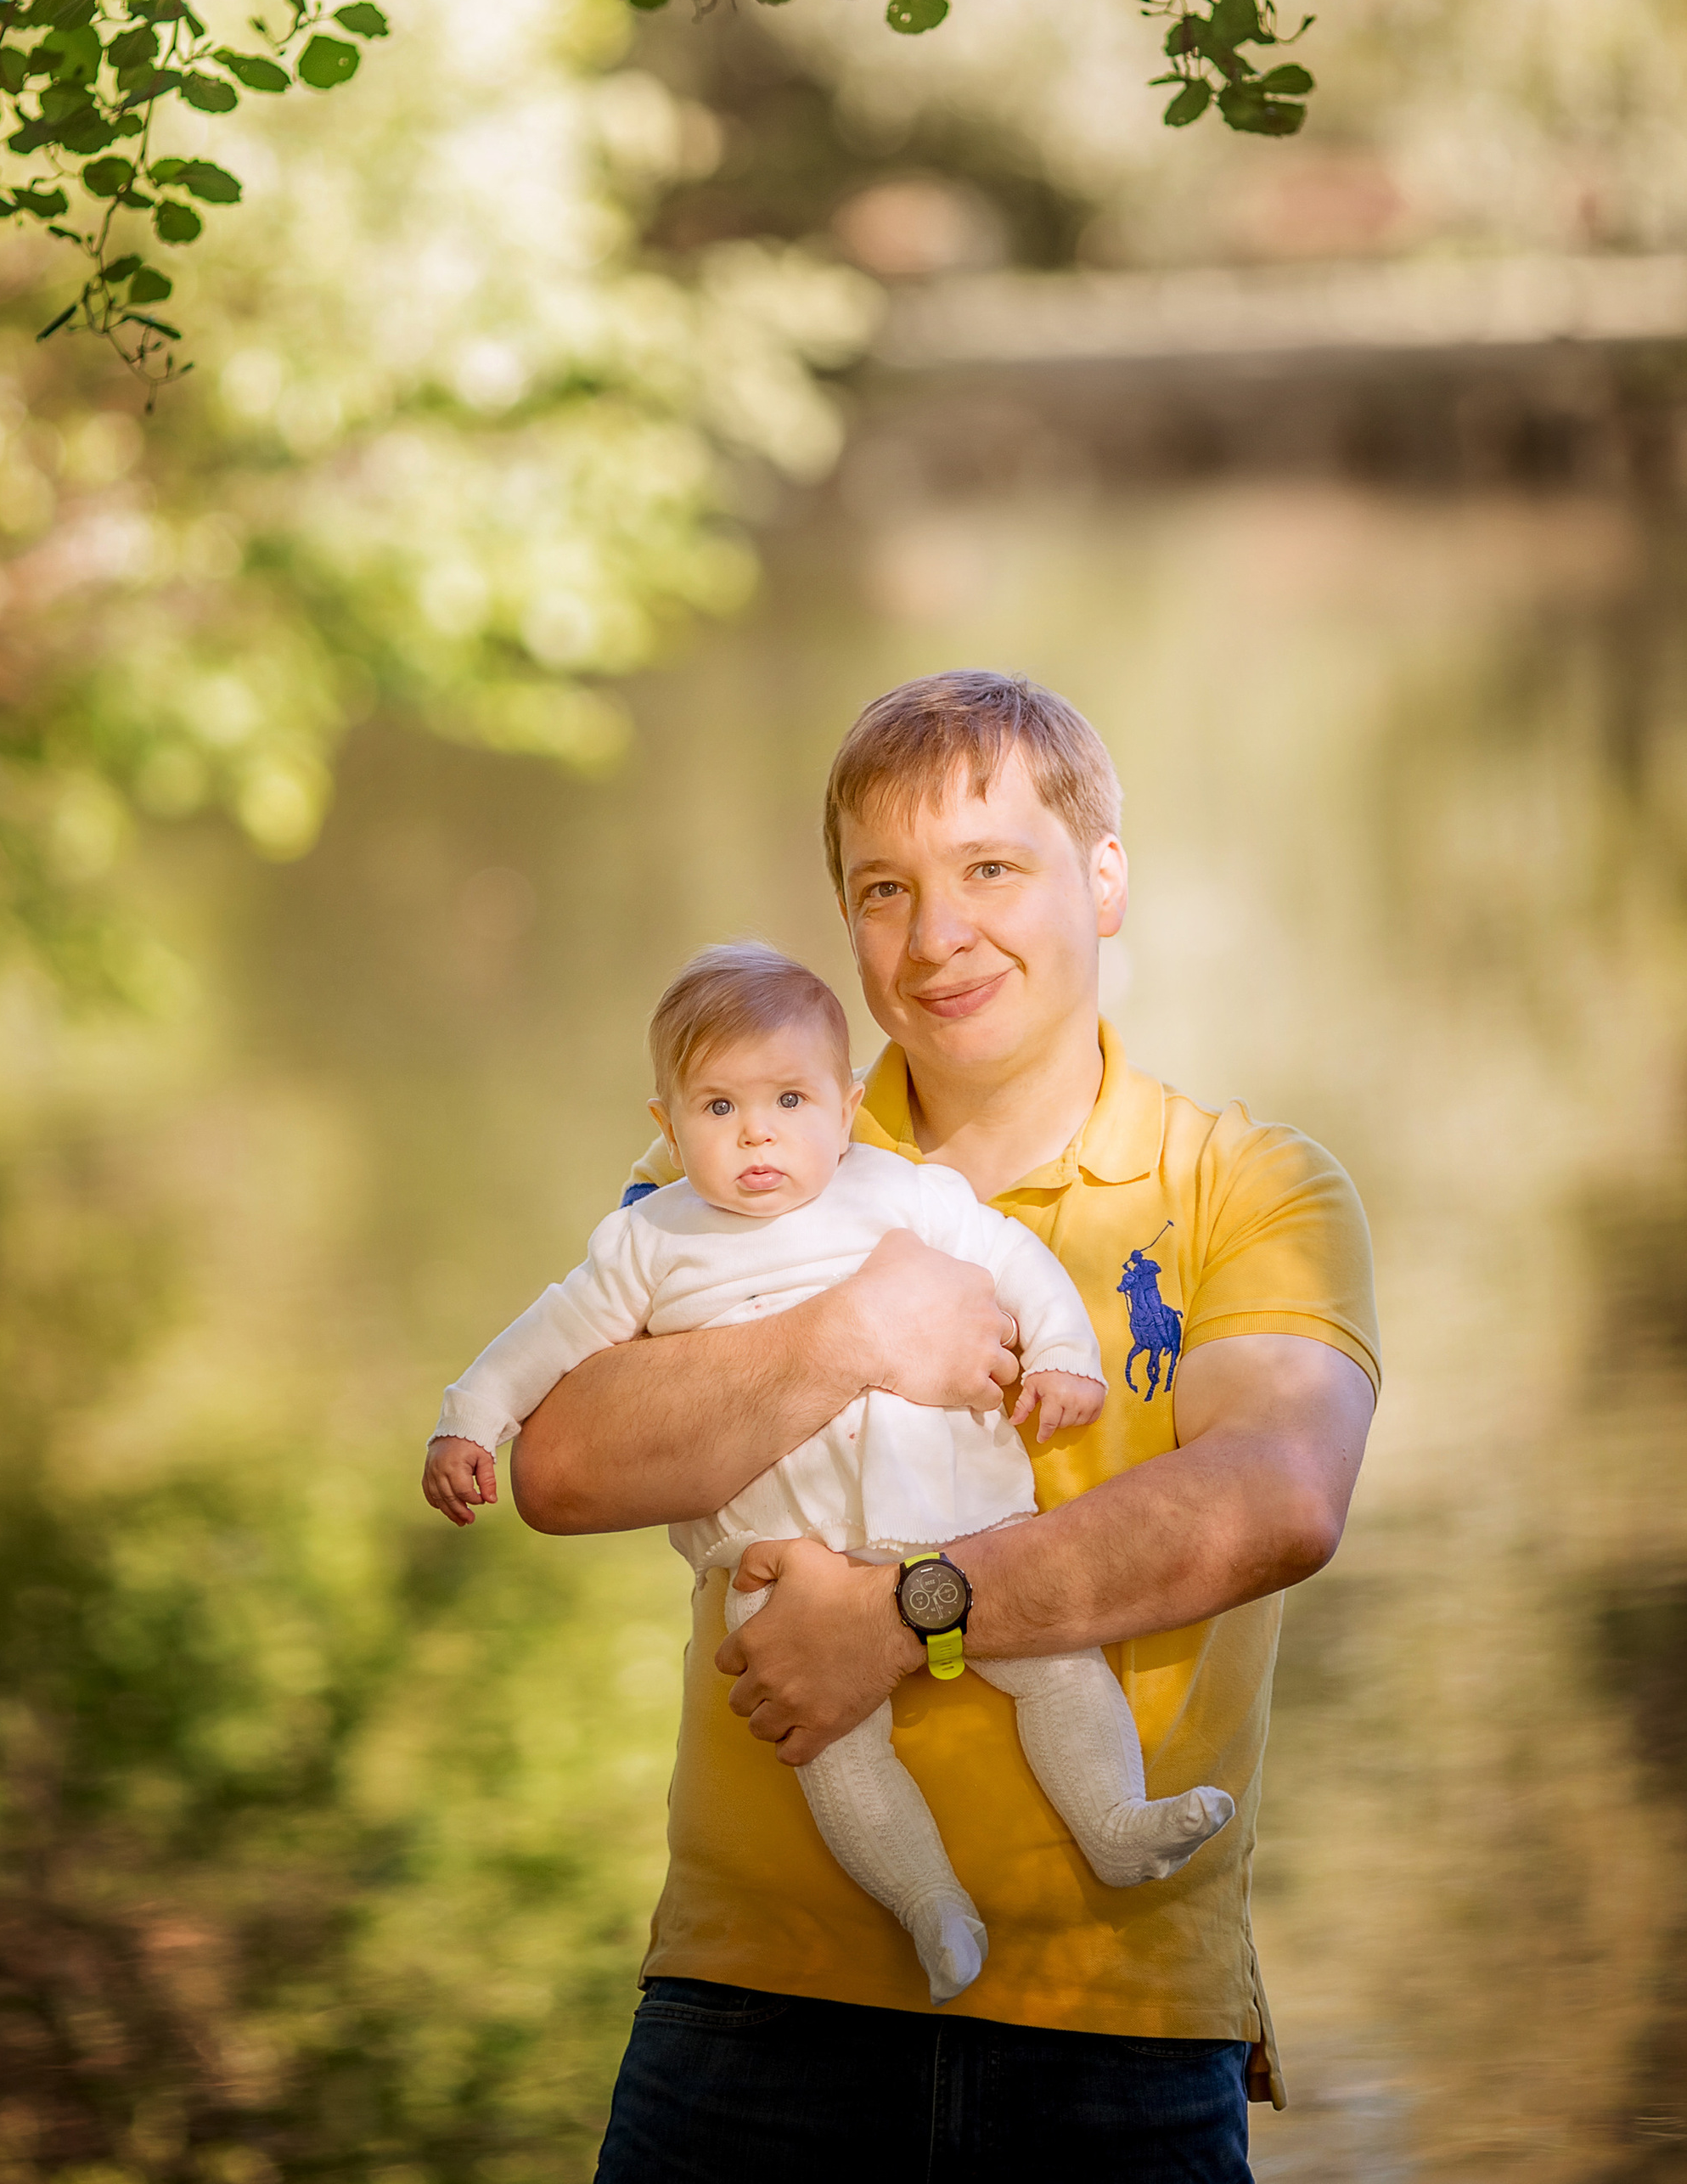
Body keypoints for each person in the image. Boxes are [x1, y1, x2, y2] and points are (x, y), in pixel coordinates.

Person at [509, 671, 1380, 2184]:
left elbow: (1278, 1498)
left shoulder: (1252, 1188)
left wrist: (914, 1613)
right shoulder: (748, 1148)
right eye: (886, 889)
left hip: (1118, 2029)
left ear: (1102, 878)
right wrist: (846, 1332)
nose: (937, 935)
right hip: (751, 2006)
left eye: (992, 870)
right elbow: (561, 1461)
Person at [425, 938, 1236, 2002]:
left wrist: (1065, 1358)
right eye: (717, 1110)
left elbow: (1017, 1262)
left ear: (845, 1106)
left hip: (957, 1520)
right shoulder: (650, 1238)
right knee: (835, 1750)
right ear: (666, 1128)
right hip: (785, 1564)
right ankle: (931, 1906)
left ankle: (1117, 1825)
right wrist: (467, 1423)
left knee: (1059, 1672)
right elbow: (544, 1338)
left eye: (790, 1099)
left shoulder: (899, 1195)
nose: (757, 1132)